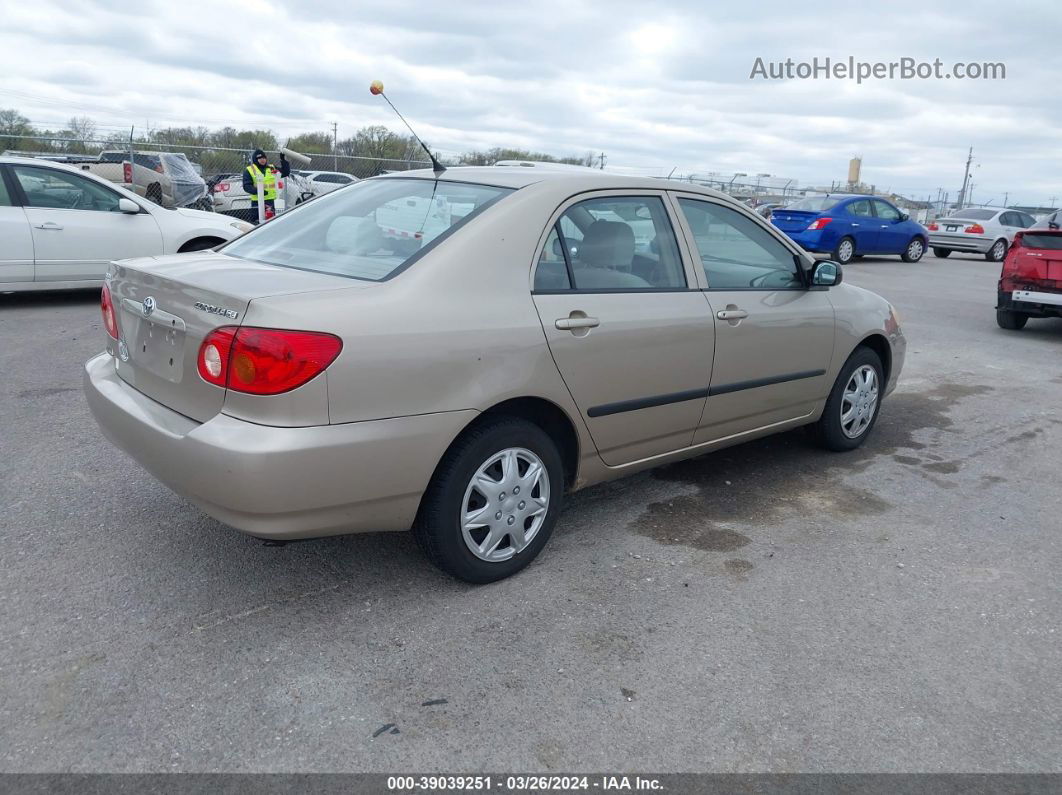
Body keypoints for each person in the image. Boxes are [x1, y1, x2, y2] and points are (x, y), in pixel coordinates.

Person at [242, 148, 290, 222]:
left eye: (264, 158)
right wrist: (259, 191)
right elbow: (246, 186)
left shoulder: (271, 168)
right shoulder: (249, 170)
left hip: (272, 201)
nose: (262, 160)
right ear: (255, 159)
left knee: (273, 222)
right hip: (257, 202)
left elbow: (285, 172)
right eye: (260, 158)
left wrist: (283, 160)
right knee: (257, 223)